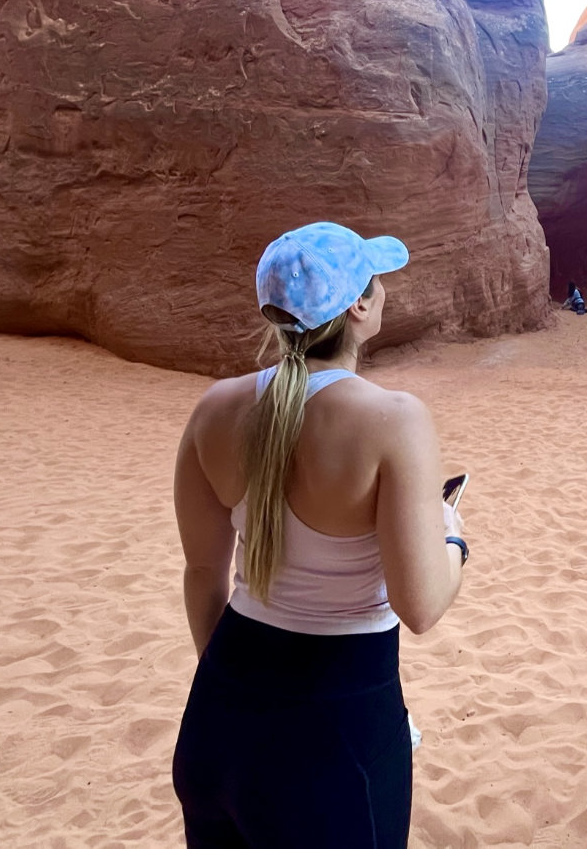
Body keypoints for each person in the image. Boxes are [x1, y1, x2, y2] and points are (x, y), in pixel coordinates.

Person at [171, 222, 467, 848]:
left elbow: (203, 573)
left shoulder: (214, 408)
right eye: (375, 279)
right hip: (338, 732)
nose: (383, 290)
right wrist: (453, 537)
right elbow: (421, 605)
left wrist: (242, 693)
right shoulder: (393, 419)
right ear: (360, 305)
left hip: (218, 718)